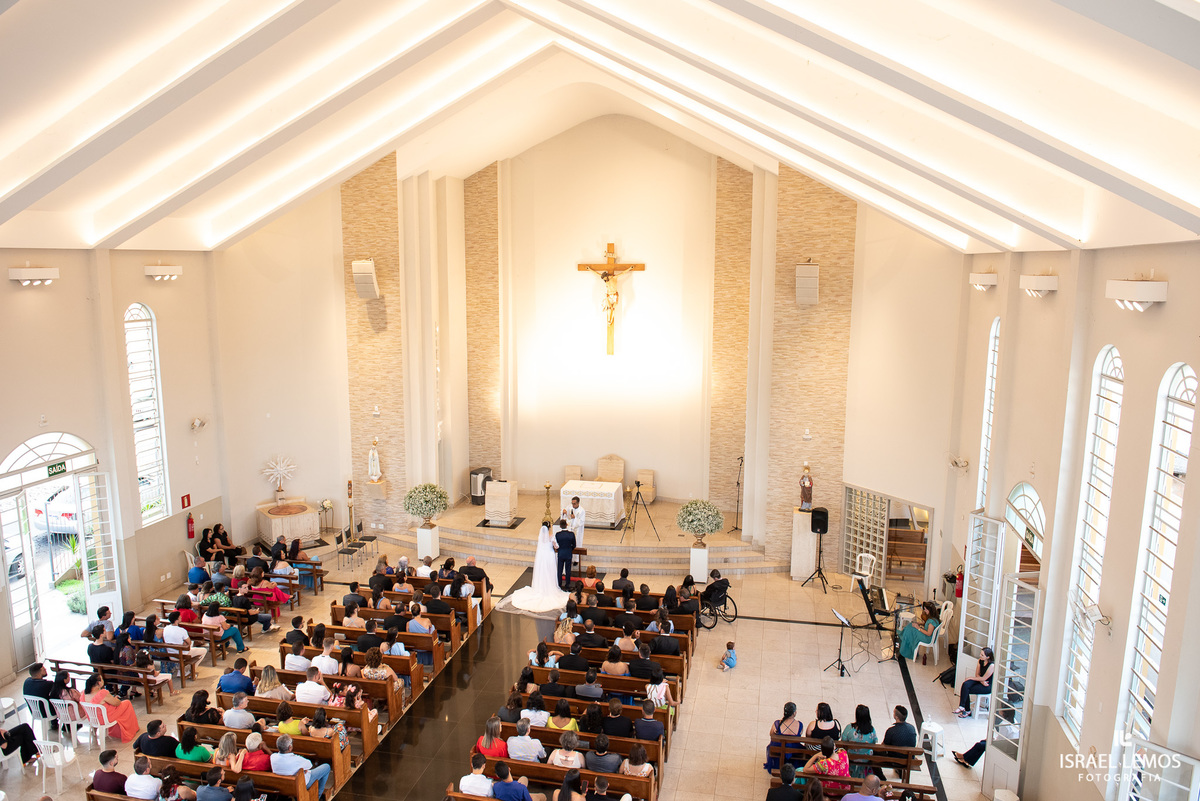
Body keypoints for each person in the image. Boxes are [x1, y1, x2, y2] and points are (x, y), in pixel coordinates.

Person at [509, 521, 571, 613]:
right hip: (549, 556)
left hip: (542, 557)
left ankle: (540, 587)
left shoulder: (540, 537)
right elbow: (556, 546)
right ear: (549, 527)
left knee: (542, 571)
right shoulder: (551, 537)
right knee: (549, 572)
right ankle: (550, 586)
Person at [271, 734, 331, 800]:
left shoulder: (273, 757)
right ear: (290, 747)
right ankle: (317, 797)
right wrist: (303, 769)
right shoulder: (296, 759)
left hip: (283, 785)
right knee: (326, 767)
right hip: (301, 784)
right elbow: (309, 765)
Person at [83, 672, 139, 741]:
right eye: (102, 679)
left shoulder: (83, 693)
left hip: (92, 718)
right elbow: (116, 703)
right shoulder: (102, 693)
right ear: (99, 683)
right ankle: (131, 729)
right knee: (127, 703)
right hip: (105, 718)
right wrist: (116, 699)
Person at [954, 647, 995, 717]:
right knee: (965, 684)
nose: (980, 656)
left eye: (982, 655)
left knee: (966, 689)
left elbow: (984, 678)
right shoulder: (980, 661)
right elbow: (977, 674)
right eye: (980, 654)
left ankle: (966, 710)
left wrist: (971, 678)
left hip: (987, 686)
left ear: (988, 657)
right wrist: (981, 681)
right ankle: (962, 706)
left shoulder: (992, 666)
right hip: (981, 681)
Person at [841, 704, 878, 779]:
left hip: (851, 756)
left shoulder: (849, 728)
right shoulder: (871, 730)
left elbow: (843, 741)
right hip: (865, 758)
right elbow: (874, 742)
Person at [553, 520, 577, 590]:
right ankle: (567, 585)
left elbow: (556, 545)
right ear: (566, 525)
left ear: (560, 526)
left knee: (560, 570)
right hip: (568, 553)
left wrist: (559, 550)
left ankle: (559, 584)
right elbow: (574, 545)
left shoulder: (558, 535)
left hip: (561, 553)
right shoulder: (571, 534)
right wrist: (570, 549)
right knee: (568, 570)